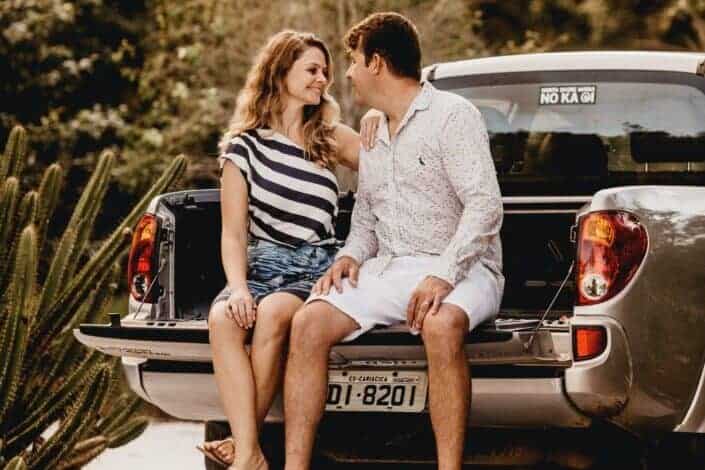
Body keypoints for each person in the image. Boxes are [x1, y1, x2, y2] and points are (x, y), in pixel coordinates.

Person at [283, 12, 504, 470]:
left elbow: (485, 207)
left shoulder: (452, 116)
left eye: (353, 61)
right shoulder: (374, 131)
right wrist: (348, 256)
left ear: (378, 63)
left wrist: (443, 275)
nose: (346, 73)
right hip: (392, 268)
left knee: (440, 326)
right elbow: (366, 215)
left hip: (465, 267)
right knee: (307, 323)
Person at [197, 30, 367, 470]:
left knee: (272, 314)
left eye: (325, 71)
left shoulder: (329, 137)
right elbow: (233, 234)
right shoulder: (243, 148)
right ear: (280, 72)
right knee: (222, 319)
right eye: (311, 69)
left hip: (313, 267)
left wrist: (380, 125)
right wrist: (237, 289)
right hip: (260, 264)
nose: (322, 79)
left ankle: (243, 449)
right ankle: (250, 450)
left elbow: (391, 167)